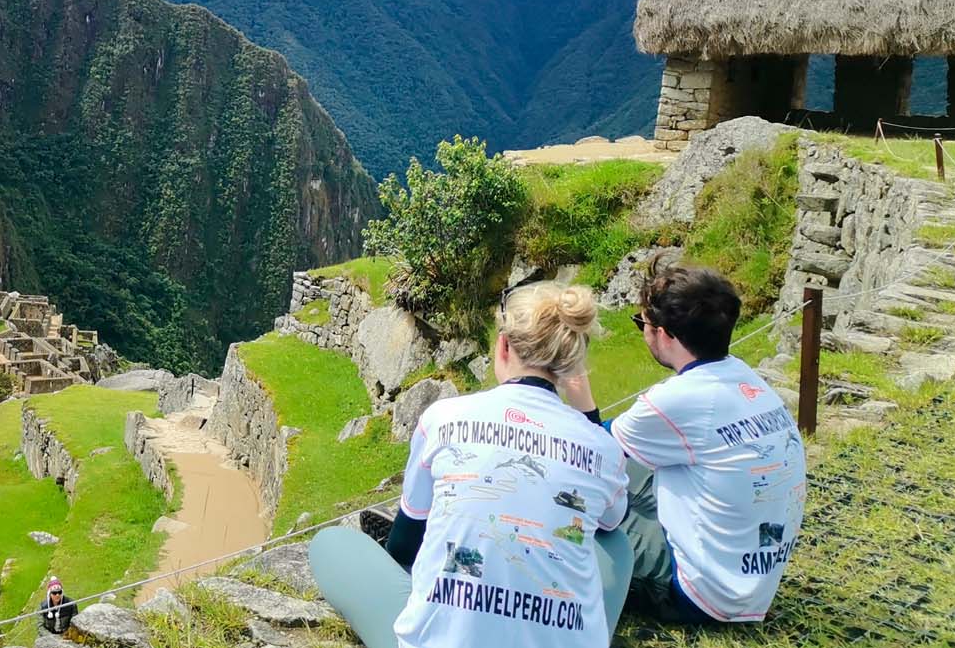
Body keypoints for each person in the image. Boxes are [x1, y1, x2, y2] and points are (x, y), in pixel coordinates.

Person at [309, 283, 632, 648]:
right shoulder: (601, 446)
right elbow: (613, 520)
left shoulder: (445, 418)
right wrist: (588, 413)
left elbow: (404, 544)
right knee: (616, 542)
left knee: (330, 543)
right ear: (570, 362)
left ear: (504, 344)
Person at [561, 265, 806, 624]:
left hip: (700, 595)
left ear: (664, 334)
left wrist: (577, 388)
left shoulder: (677, 400)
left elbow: (591, 450)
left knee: (570, 496)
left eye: (641, 324)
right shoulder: (745, 378)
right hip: (753, 580)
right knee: (627, 470)